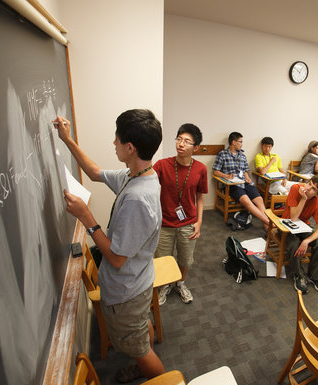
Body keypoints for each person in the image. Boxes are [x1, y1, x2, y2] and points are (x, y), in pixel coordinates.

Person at [53, 110, 165, 381]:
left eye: (117, 139)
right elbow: (93, 172)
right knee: (140, 330)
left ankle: (156, 375)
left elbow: (116, 259)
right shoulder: (138, 175)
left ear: (130, 147)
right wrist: (67, 140)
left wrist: (86, 217)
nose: (113, 143)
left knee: (138, 347)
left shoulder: (139, 198)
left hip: (127, 290)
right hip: (138, 281)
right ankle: (142, 362)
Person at [153, 124, 208, 306]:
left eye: (186, 141)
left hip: (188, 223)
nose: (181, 144)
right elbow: (147, 183)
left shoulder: (200, 169)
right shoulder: (162, 165)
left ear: (196, 147)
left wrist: (199, 221)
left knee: (185, 259)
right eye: (179, 139)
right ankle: (164, 286)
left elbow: (200, 197)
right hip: (164, 223)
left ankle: (180, 284)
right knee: (163, 259)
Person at [282, 175, 318, 295]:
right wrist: (303, 199)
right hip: (286, 226)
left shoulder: (316, 202)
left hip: (303, 227)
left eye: (313, 189)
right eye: (309, 183)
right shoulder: (296, 188)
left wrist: (307, 241)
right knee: (294, 244)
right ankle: (299, 276)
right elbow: (293, 218)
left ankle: (314, 276)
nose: (308, 188)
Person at [213, 132, 270, 227]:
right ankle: (269, 223)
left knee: (259, 200)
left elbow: (245, 171)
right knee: (247, 201)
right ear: (233, 142)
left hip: (245, 183)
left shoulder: (242, 155)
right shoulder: (222, 154)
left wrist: (247, 178)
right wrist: (227, 176)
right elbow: (215, 171)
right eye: (240, 141)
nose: (242, 144)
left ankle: (268, 228)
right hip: (232, 185)